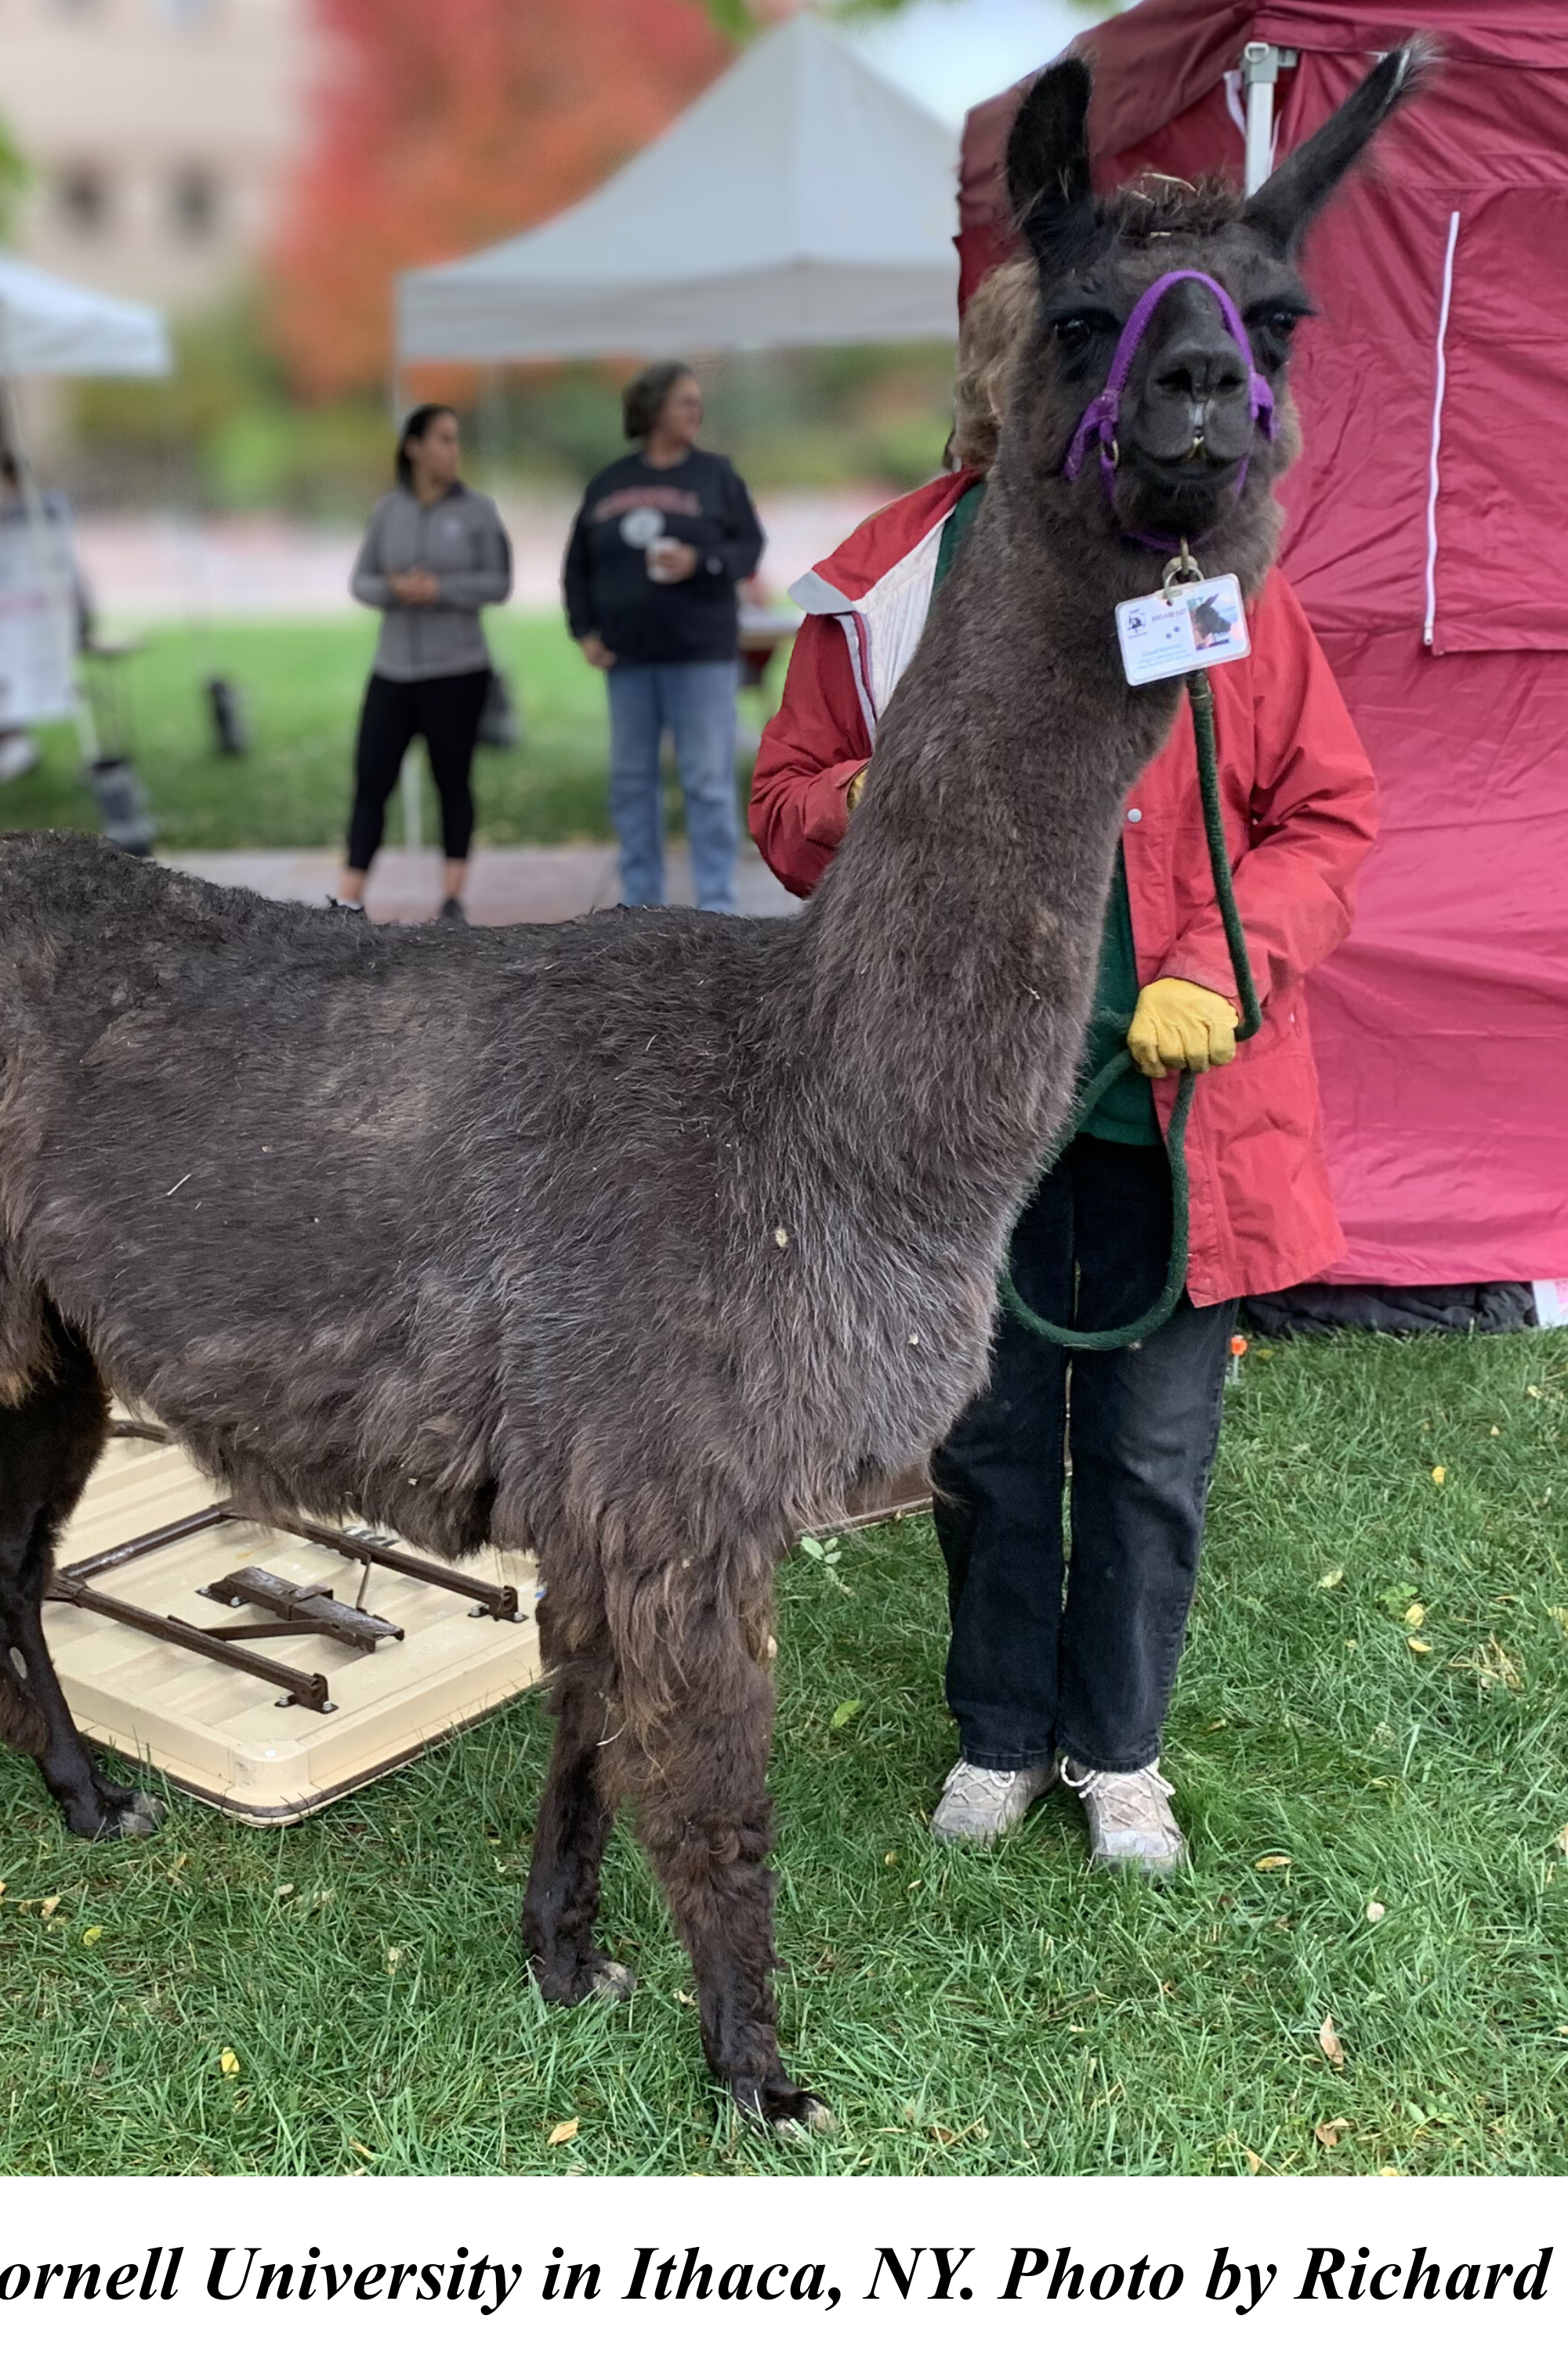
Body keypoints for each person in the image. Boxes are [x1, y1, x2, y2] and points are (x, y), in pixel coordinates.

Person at [749, 258, 1381, 1874]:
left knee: (1150, 1453)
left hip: (1177, 1112)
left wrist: (1220, 967)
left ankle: (1119, 1747)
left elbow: (1324, 816)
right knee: (985, 1439)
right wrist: (885, 793)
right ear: (1001, 384)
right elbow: (784, 803)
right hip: (961, 1113)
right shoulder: (888, 585)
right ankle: (1001, 1733)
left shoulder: (1225, 575)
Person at [563, 361, 763, 913]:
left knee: (707, 780)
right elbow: (577, 565)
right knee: (632, 781)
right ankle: (640, 902)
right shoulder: (609, 483)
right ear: (652, 409)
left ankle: (717, 905)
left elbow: (749, 550)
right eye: (684, 401)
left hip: (701, 655)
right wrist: (584, 630)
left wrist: (701, 560)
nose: (696, 410)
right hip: (628, 657)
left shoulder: (717, 477)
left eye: (698, 401)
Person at [338, 404, 512, 920]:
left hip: (458, 672)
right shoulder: (387, 511)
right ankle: (347, 900)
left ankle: (452, 898)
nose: (453, 449)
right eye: (443, 439)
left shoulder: (479, 511)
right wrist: (394, 590)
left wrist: (441, 589)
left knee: (452, 782)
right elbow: (361, 582)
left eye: (456, 439)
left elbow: (498, 583)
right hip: (393, 672)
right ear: (414, 447)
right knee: (371, 781)